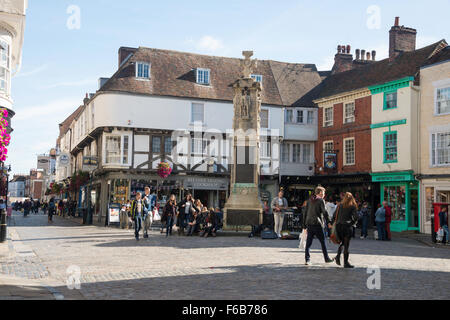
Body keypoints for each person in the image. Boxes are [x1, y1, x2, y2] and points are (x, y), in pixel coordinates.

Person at [302, 186, 334, 266]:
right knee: (323, 242)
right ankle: (326, 258)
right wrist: (329, 222)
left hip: (309, 223)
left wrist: (304, 225)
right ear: (320, 193)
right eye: (323, 193)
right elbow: (325, 212)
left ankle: (307, 259)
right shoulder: (321, 201)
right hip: (317, 224)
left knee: (308, 243)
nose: (324, 194)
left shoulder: (309, 200)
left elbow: (305, 213)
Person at [332, 192, 359, 268]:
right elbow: (356, 217)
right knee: (346, 245)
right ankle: (345, 262)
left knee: (342, 243)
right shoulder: (352, 206)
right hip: (347, 227)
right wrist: (352, 223)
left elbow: (334, 216)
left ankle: (338, 257)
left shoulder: (339, 206)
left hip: (338, 226)